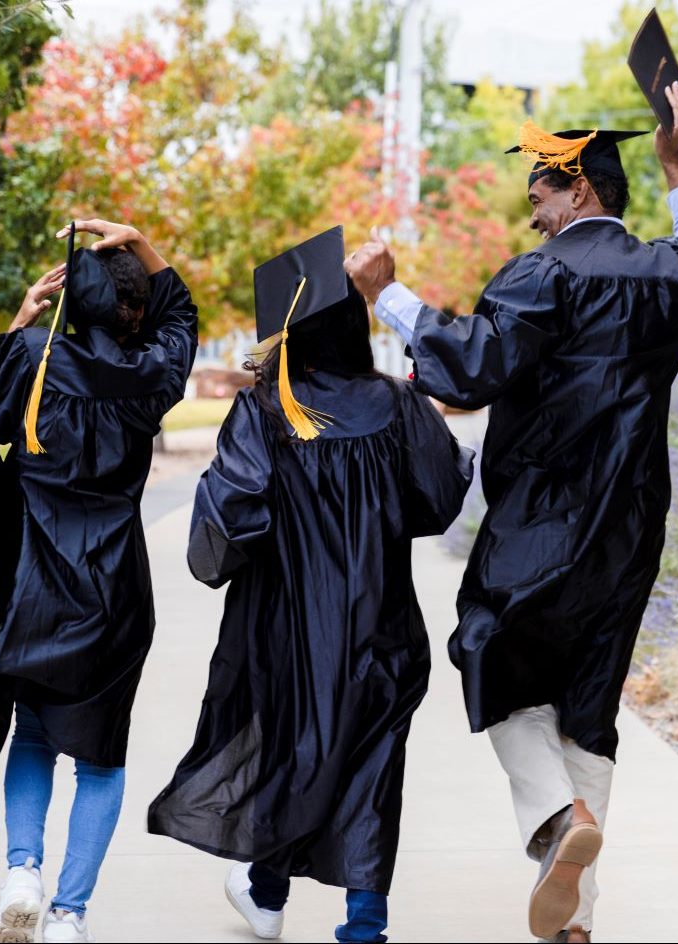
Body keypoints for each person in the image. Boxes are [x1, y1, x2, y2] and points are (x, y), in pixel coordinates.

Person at [345, 81, 678, 943]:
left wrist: (390, 298)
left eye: (540, 195)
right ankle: (574, 925)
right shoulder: (670, 273)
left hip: (542, 521)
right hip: (631, 529)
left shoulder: (543, 273)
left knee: (490, 649)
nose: (533, 217)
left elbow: (473, 369)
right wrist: (675, 166)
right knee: (589, 706)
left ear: (578, 188)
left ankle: (557, 819)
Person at [148, 230, 473, 944]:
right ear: (353, 324)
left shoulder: (266, 413)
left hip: (288, 627)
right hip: (382, 624)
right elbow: (442, 497)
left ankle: (266, 887)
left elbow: (229, 521)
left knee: (297, 748)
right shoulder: (397, 404)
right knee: (372, 765)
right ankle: (360, 921)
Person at [0, 219, 198, 944]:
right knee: (100, 756)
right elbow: (181, 314)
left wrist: (22, 323)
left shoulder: (30, 356)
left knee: (32, 734)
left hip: (28, 581)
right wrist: (141, 240)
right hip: (112, 587)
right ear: (133, 312)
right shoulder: (148, 371)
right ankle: (68, 914)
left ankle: (22, 870)